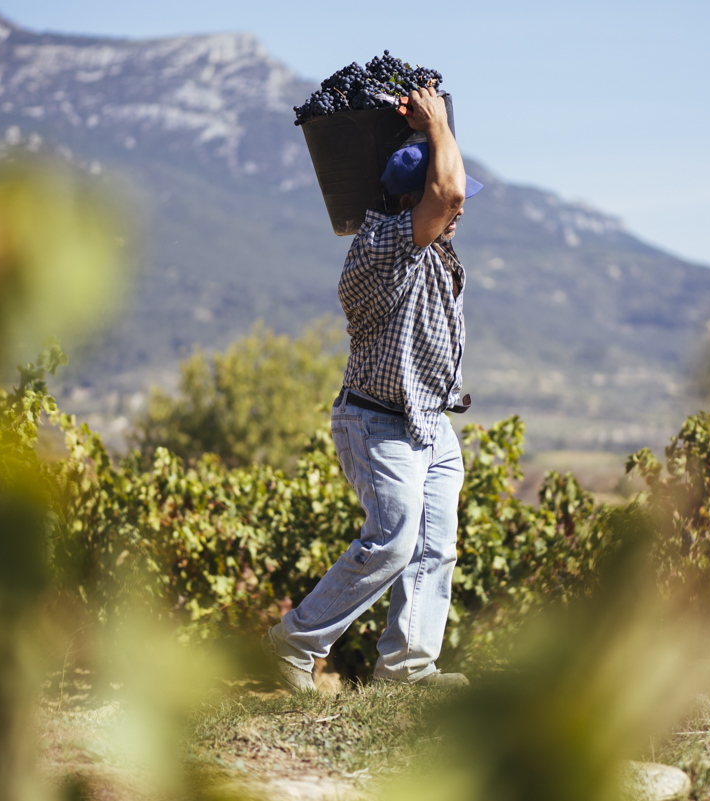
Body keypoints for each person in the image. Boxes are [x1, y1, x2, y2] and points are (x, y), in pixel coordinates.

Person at [264, 85, 482, 690]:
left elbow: (451, 189)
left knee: (434, 549)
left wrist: (440, 134)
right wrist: (437, 124)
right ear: (412, 200)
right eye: (446, 205)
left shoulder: (434, 251)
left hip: (429, 423)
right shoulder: (385, 244)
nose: (461, 212)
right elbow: (451, 190)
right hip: (378, 421)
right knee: (392, 541)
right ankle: (292, 644)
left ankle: (407, 670)